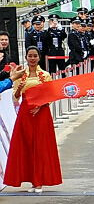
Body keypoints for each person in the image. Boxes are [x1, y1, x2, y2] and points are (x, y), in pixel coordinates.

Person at [3, 47, 62, 193]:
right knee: (27, 145)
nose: (32, 58)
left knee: (41, 146)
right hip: (26, 113)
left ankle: (40, 181)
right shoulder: (21, 75)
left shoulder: (46, 75)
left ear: (39, 57)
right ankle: (32, 180)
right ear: (26, 57)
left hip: (42, 113)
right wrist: (19, 88)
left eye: (35, 56)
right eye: (30, 56)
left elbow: (51, 95)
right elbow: (15, 97)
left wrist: (40, 106)